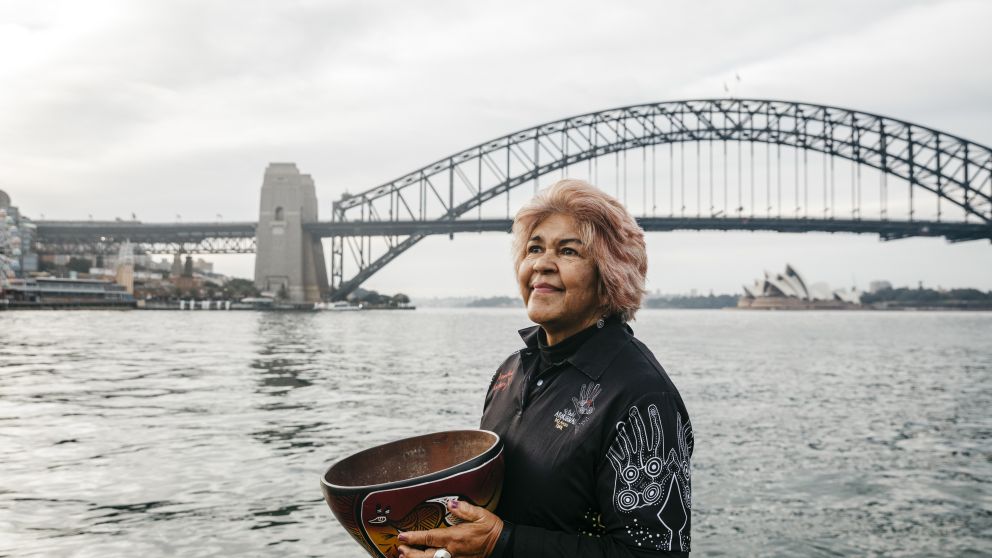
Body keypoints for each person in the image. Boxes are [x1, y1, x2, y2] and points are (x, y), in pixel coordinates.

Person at [399, 179, 693, 558]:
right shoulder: (511, 373)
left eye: (568, 251)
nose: (541, 264)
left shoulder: (641, 395)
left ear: (610, 275)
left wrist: (501, 543)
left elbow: (655, 554)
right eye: (533, 248)